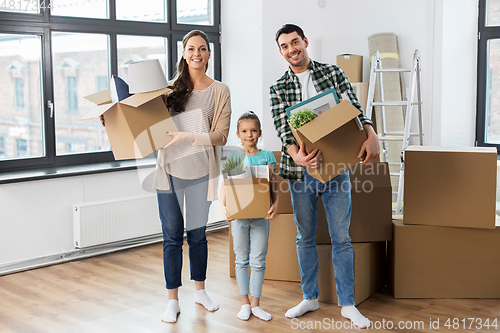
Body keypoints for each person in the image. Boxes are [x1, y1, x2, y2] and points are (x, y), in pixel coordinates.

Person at [269, 24, 379, 329]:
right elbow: (282, 128)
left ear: (305, 42)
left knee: (341, 237)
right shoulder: (278, 88)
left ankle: (347, 304)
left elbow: (354, 108)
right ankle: (310, 297)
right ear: (280, 51)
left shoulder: (332, 73)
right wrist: (297, 155)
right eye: (284, 46)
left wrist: (371, 133)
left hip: (335, 170)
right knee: (304, 237)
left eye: (295, 42)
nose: (291, 49)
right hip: (300, 173)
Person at [150, 30, 231, 323]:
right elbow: (142, 123)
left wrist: (188, 135)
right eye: (191, 49)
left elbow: (220, 135)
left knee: (197, 235)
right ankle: (172, 299)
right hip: (169, 171)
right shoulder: (168, 90)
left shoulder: (220, 91)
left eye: (202, 49)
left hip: (200, 172)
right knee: (172, 237)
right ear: (183, 53)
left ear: (209, 54)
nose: (197, 53)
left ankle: (200, 290)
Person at [219, 111, 279, 322]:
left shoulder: (267, 156)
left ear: (259, 133)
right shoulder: (235, 157)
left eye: (253, 131)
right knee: (241, 259)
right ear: (238, 134)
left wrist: (276, 204)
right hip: (240, 217)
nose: (249, 135)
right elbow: (226, 186)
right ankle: (244, 303)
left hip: (261, 216)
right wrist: (223, 206)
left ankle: (256, 305)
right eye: (244, 131)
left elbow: (273, 185)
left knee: (258, 260)